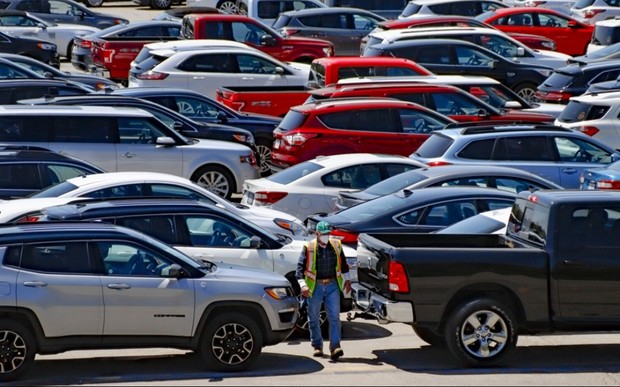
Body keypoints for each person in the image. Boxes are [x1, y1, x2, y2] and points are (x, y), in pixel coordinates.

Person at [296, 221, 351, 360]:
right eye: (324, 234)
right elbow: (299, 271)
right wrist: (303, 285)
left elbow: (343, 265)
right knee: (313, 318)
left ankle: (335, 347)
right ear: (317, 234)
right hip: (315, 287)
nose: (326, 236)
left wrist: (348, 280)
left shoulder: (337, 246)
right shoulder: (309, 248)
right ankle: (317, 346)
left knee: (334, 317)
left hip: (332, 284)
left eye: (328, 233)